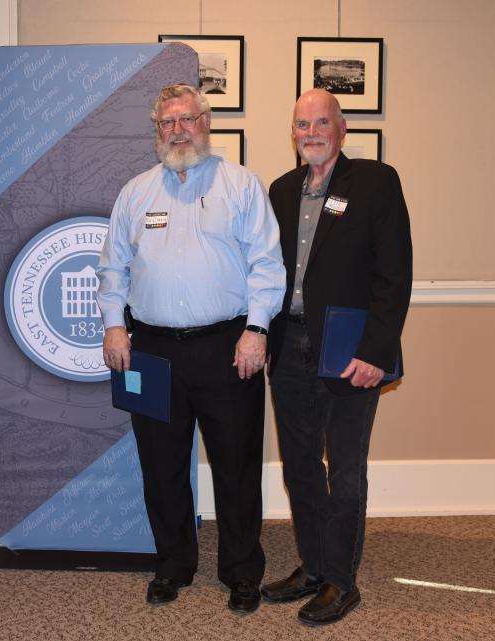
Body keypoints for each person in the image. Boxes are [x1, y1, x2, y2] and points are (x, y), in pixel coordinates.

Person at [96, 83, 285, 614]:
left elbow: (267, 265)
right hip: (151, 349)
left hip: (229, 346)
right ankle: (173, 564)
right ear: (155, 130)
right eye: (166, 123)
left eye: (187, 119)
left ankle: (242, 571)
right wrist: (114, 326)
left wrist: (258, 330)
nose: (178, 131)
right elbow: (113, 266)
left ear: (206, 121)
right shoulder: (135, 192)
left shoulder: (241, 185)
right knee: (161, 466)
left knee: (237, 466)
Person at [261, 89, 412, 626]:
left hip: (349, 353)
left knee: (344, 470)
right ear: (293, 132)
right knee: (300, 468)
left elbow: (394, 275)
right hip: (289, 347)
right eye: (302, 124)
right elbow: (264, 270)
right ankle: (314, 566)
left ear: (342, 128)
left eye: (321, 122)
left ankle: (342, 582)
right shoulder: (280, 191)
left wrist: (376, 350)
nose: (311, 132)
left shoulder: (374, 181)